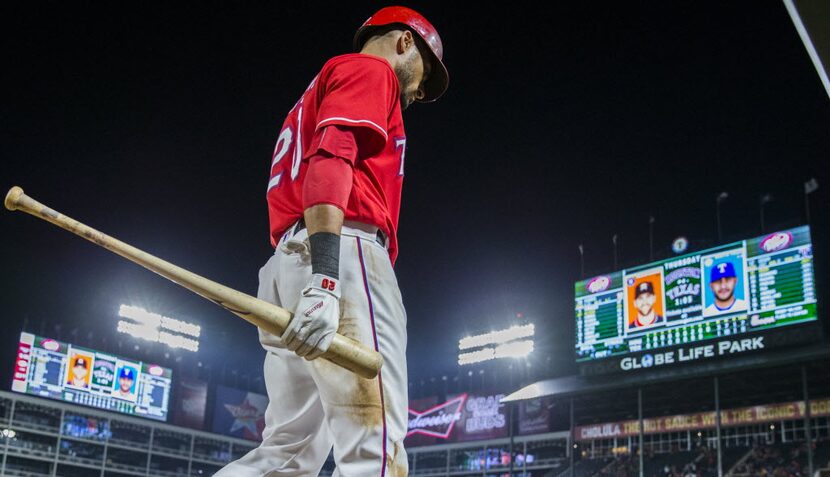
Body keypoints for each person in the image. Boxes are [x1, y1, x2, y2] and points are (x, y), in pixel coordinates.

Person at [215, 6, 448, 476]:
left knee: (285, 453)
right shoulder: (370, 71)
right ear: (405, 42)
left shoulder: (316, 90)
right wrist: (325, 281)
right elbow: (331, 163)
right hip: (343, 256)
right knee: (374, 447)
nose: (421, 91)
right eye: (426, 73)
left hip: (288, 260)